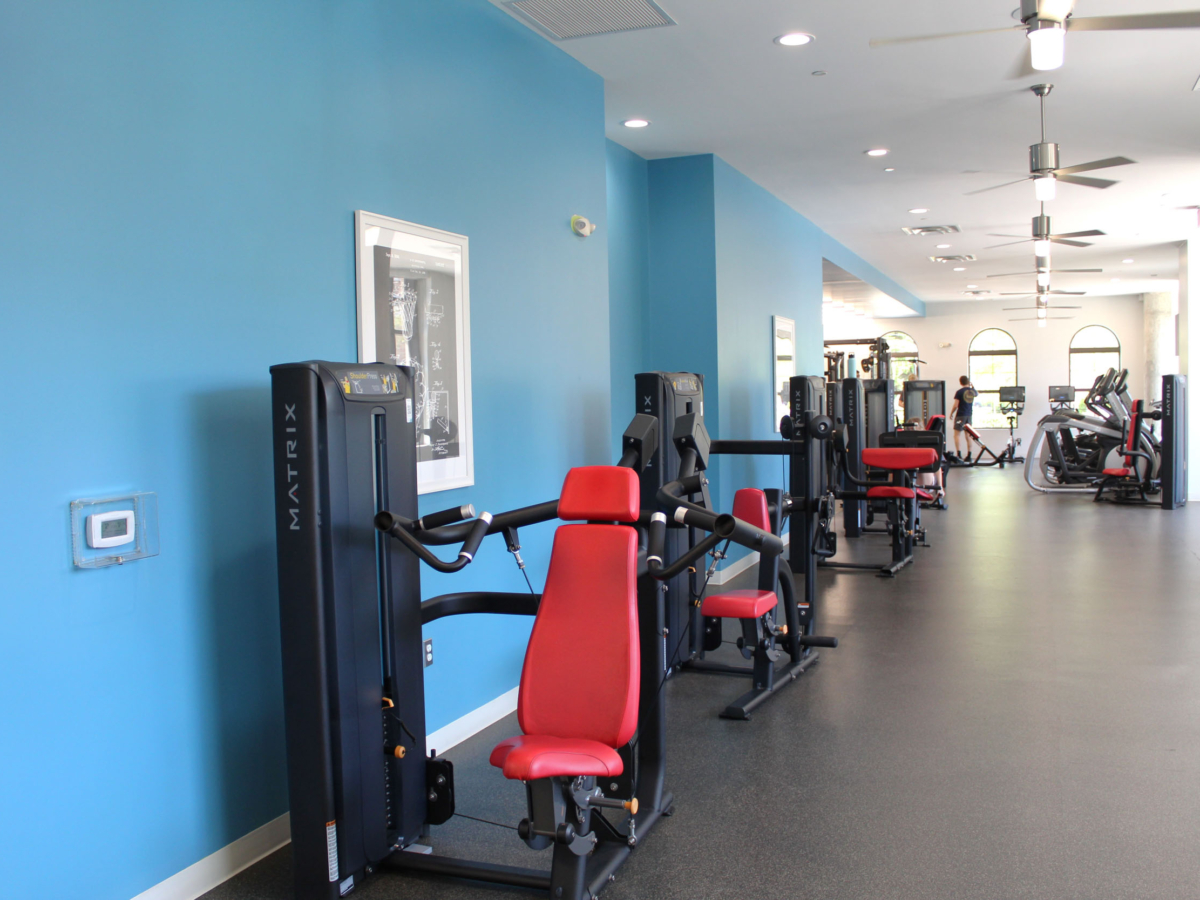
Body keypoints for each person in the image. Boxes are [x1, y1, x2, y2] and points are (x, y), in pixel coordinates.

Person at [949, 375, 977, 458]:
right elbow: (976, 393)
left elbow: (956, 405)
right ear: (968, 382)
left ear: (960, 382)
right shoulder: (972, 391)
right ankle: (969, 455)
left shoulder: (959, 392)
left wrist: (951, 413)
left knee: (957, 435)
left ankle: (959, 454)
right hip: (969, 415)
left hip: (961, 415)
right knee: (968, 435)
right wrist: (972, 386)